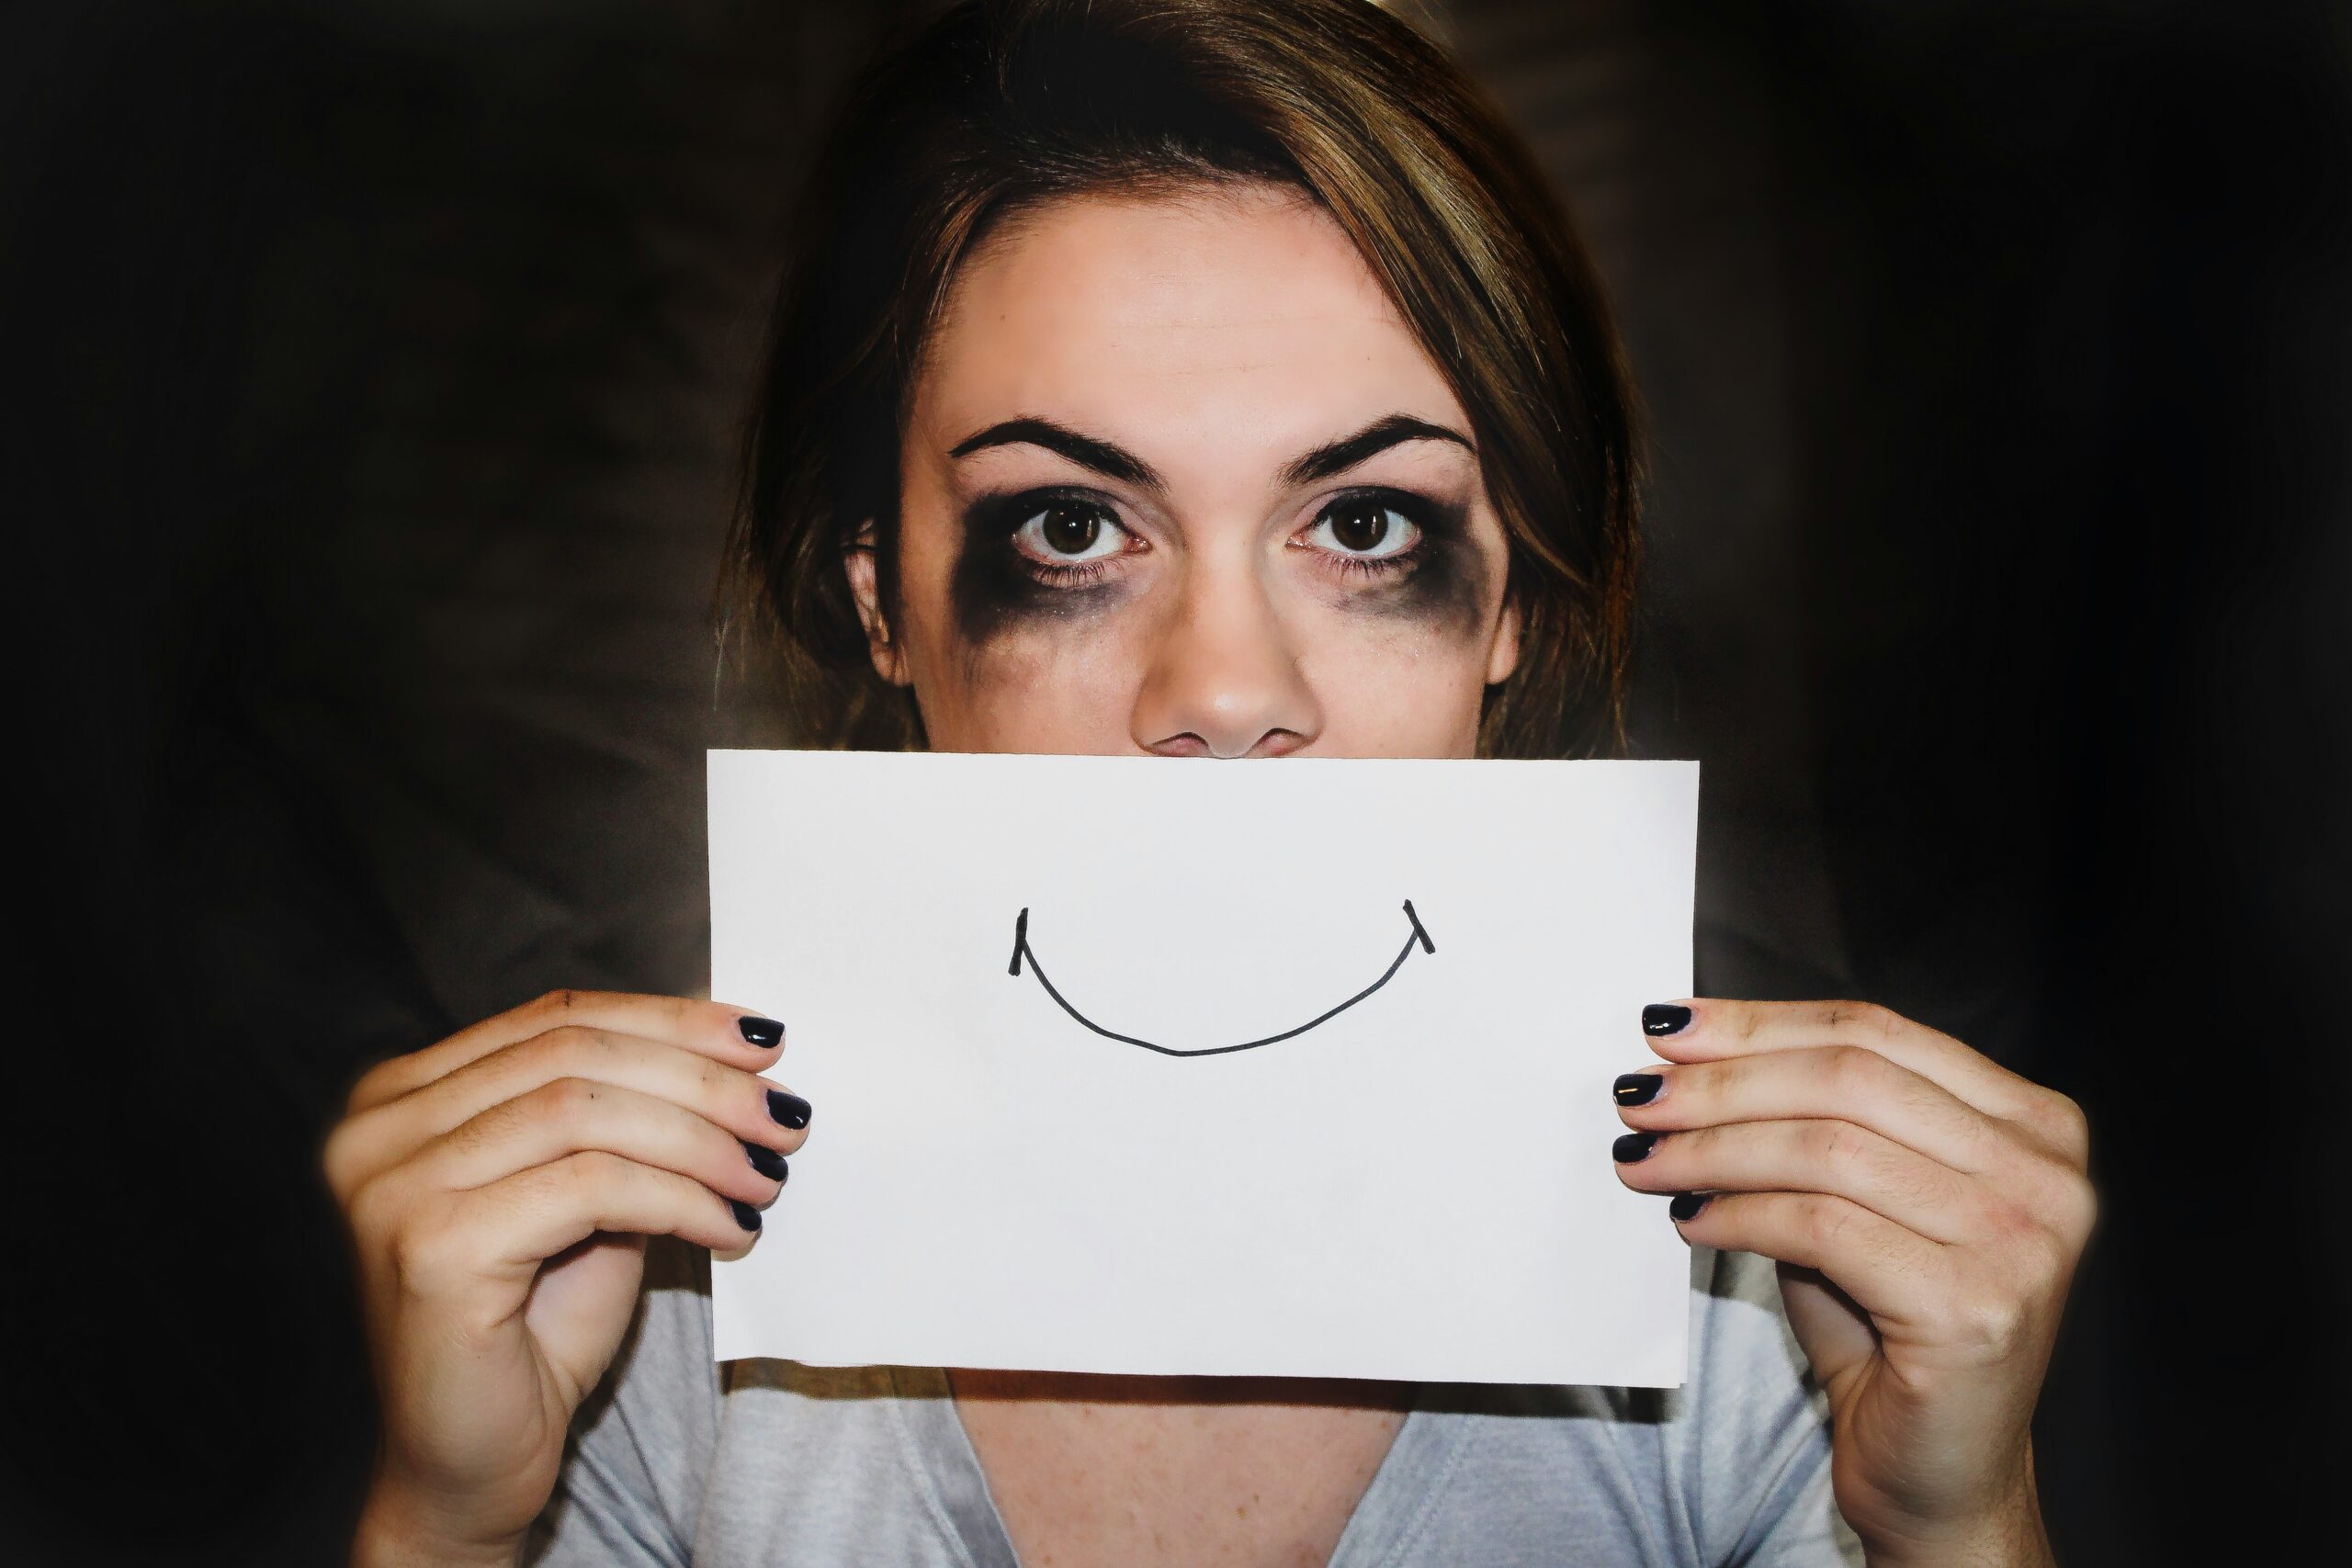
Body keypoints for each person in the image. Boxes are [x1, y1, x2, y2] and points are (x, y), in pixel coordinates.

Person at [325, 2, 2096, 1563]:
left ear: (1514, 612)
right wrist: (446, 1526)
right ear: (883, 602)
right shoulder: (648, 1311)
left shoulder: (1772, 1313)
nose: (1227, 692)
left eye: (1366, 525)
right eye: (1074, 527)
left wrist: (1955, 1529)